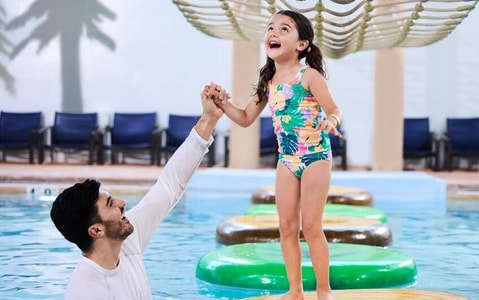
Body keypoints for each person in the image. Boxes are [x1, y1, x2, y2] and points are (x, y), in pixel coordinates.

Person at [49, 84, 227, 300]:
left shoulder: (125, 243)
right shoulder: (86, 292)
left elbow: (170, 185)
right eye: (110, 204)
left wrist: (209, 118)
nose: (122, 203)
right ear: (96, 231)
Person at [211, 10, 342, 300]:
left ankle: (323, 289)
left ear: (301, 45)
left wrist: (331, 122)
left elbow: (334, 109)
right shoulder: (269, 80)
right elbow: (245, 117)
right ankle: (295, 291)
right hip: (287, 159)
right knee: (286, 227)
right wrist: (221, 103)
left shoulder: (309, 75)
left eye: (285, 29)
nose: (274, 33)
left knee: (310, 226)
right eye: (271, 28)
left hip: (315, 156)